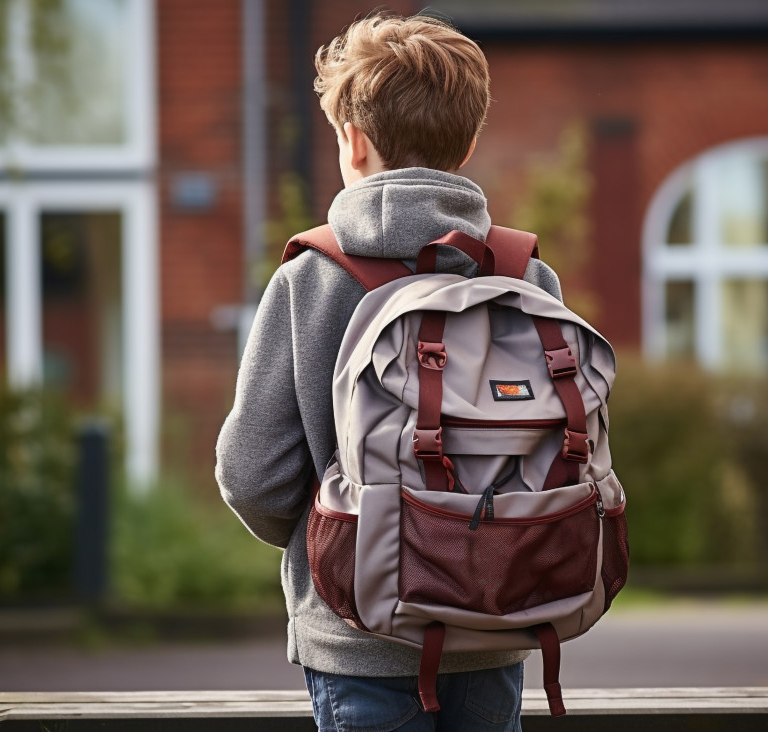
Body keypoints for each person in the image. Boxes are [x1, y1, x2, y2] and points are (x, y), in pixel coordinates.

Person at [216, 12, 563, 732]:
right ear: (467, 146)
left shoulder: (312, 280)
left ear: (352, 139)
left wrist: (337, 542)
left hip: (357, 634)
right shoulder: (528, 275)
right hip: (494, 626)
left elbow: (252, 473)